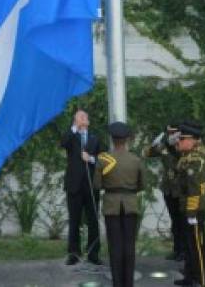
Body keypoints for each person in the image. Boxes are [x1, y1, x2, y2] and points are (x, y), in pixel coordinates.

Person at [94, 121, 145, 287]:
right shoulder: (136, 160)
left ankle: (117, 283)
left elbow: (97, 185)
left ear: (112, 139)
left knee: (115, 246)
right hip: (130, 204)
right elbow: (142, 185)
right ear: (127, 139)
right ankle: (128, 283)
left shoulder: (103, 159)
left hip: (111, 206)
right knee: (129, 245)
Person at [60, 109, 102, 265]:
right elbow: (63, 142)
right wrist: (74, 128)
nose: (82, 118)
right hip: (74, 185)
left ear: (89, 122)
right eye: (79, 117)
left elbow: (103, 159)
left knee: (93, 220)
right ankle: (74, 253)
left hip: (91, 186)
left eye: (85, 116)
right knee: (74, 220)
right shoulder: (71, 137)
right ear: (75, 121)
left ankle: (93, 253)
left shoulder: (95, 138)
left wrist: (90, 158)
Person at [174, 121, 205, 287]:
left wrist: (191, 213)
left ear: (193, 140)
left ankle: (202, 282)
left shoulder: (196, 158)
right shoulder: (189, 154)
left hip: (194, 209)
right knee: (189, 246)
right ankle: (189, 278)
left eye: (182, 139)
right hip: (186, 206)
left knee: (197, 248)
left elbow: (194, 188)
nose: (178, 142)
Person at [144, 120, 184, 261]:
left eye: (173, 132)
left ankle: (184, 251)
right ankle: (177, 250)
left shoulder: (184, 145)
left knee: (183, 220)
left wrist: (175, 145)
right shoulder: (165, 146)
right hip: (168, 189)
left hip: (181, 189)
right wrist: (156, 143)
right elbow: (147, 153)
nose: (171, 135)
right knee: (175, 221)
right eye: (169, 133)